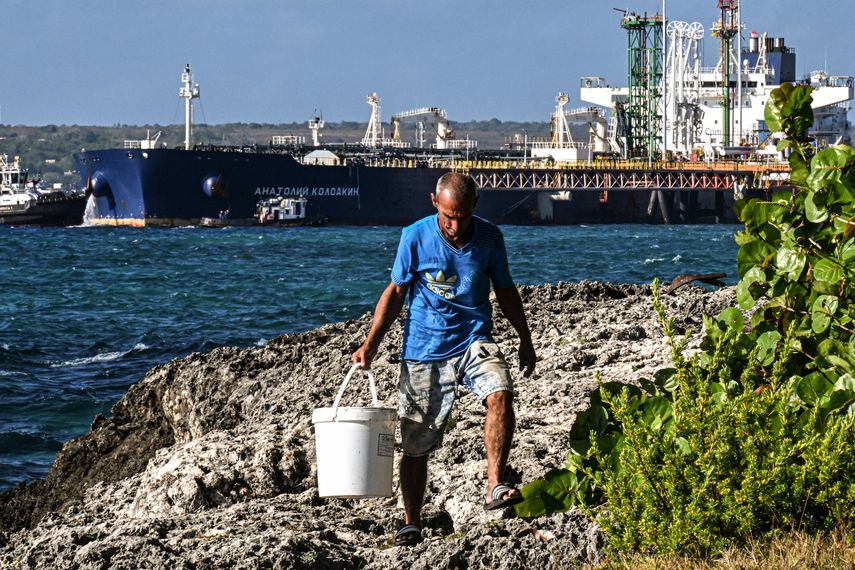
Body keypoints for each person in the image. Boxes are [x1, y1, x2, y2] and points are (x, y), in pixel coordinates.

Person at [351, 172, 536, 547]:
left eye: (462, 217)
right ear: (435, 203)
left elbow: (505, 290)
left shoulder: (490, 238)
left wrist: (524, 338)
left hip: (474, 341)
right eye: (448, 217)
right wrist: (371, 344)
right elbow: (395, 292)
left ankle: (495, 485)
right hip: (424, 350)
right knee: (416, 444)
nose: (454, 226)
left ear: (475, 207)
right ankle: (410, 522)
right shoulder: (414, 236)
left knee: (500, 392)